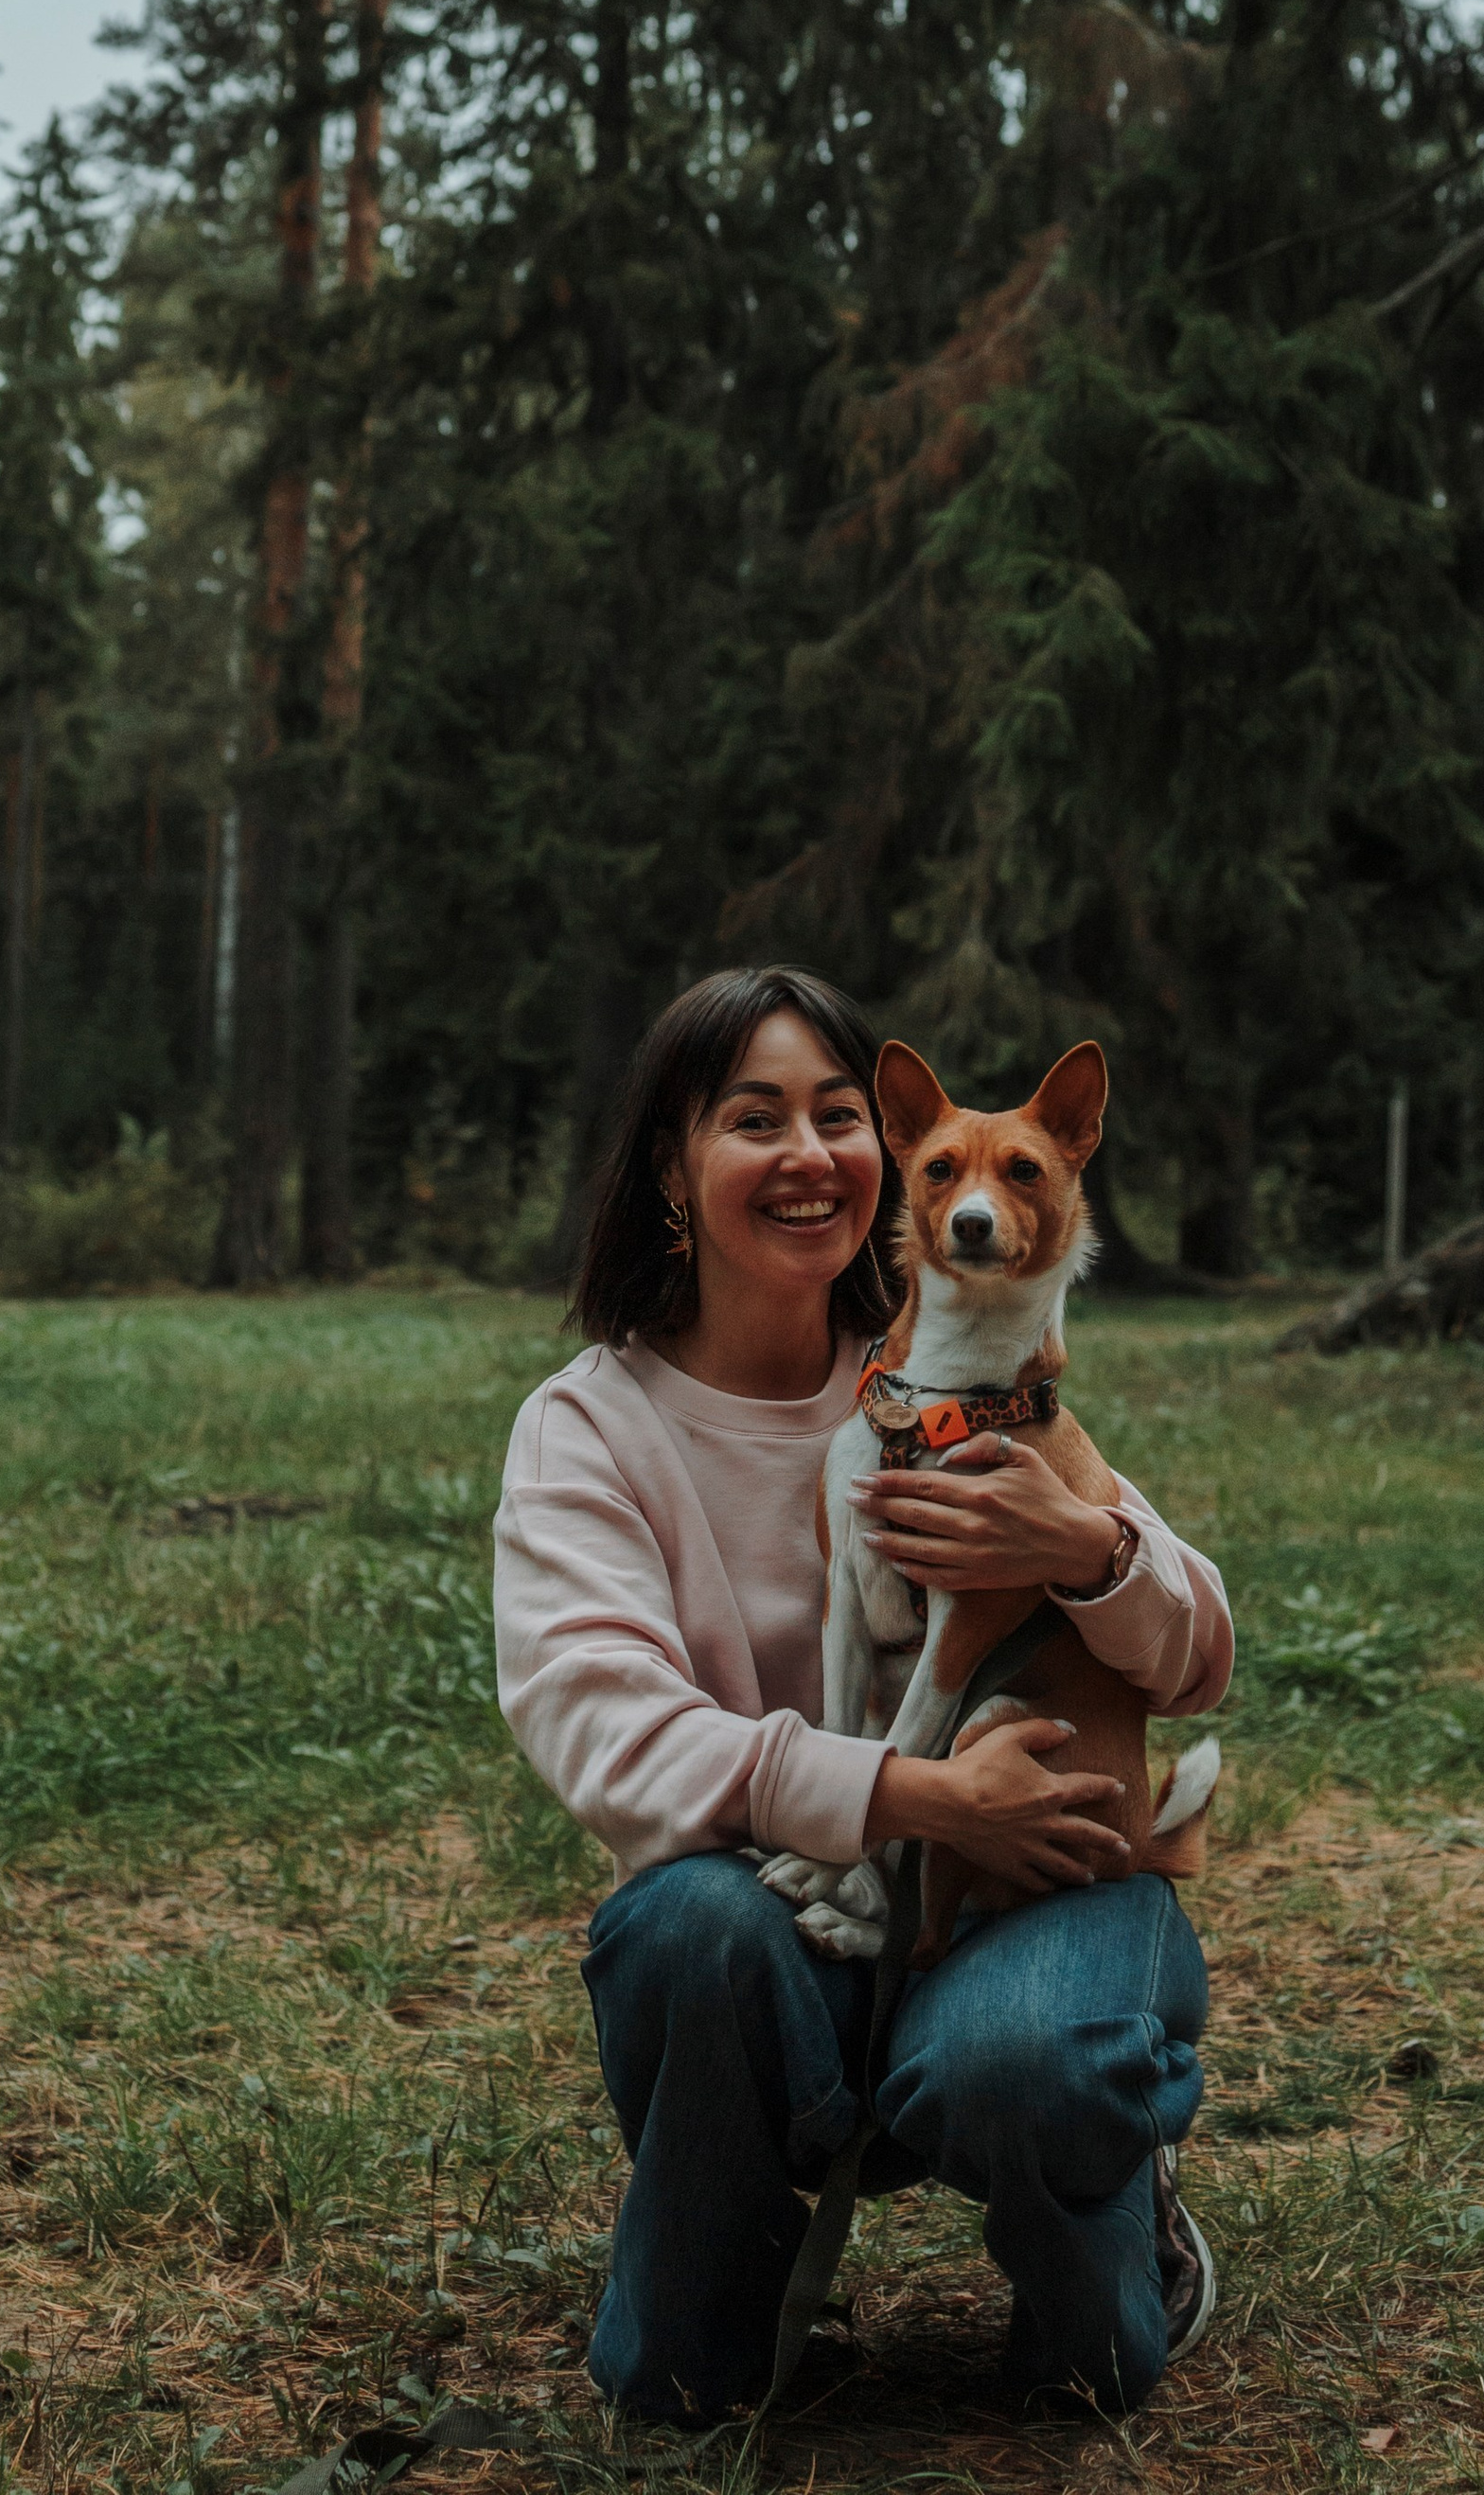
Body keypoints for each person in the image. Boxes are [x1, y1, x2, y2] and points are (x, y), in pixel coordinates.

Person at [491, 964, 1233, 2425]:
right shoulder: (588, 1427)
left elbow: (1199, 1651)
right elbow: (601, 1733)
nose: (809, 1153)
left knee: (1084, 2359)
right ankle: (727, 2298)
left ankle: (1117, 2226)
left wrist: (1089, 1552)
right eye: (753, 1118)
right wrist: (912, 1796)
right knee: (679, 1934)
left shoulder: (957, 1391)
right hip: (784, 1929)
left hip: (1014, 1896)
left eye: (839, 1116)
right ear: (669, 1161)